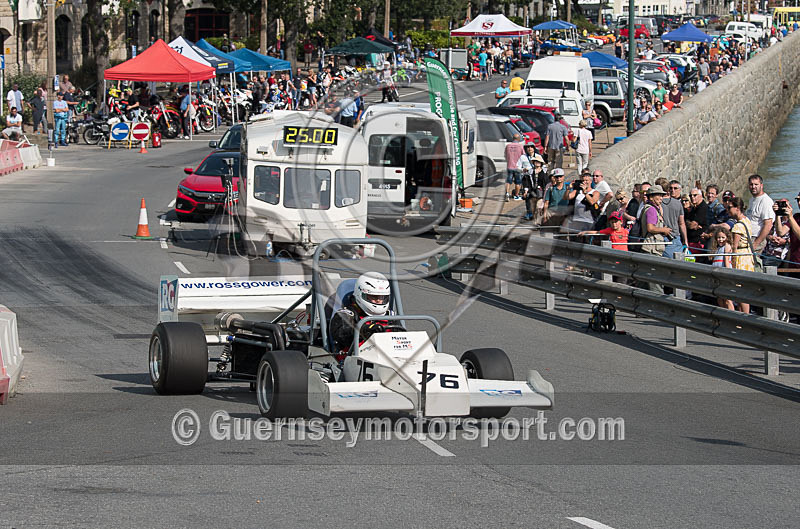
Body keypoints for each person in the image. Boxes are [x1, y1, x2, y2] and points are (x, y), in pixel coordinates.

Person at [329, 272, 393, 356]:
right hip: (355, 357)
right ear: (360, 294)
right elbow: (342, 336)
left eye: (382, 298)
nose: (379, 301)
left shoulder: (390, 316)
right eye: (374, 297)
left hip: (387, 354)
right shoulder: (346, 314)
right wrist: (364, 330)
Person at [729, 196, 756, 312]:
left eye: (730, 207)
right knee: (745, 290)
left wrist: (731, 260)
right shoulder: (747, 221)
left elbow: (734, 246)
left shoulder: (738, 226)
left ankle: (744, 317)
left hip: (740, 257)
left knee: (740, 292)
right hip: (747, 256)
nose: (728, 210)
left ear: (737, 208)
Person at [744, 174, 775, 252]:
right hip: (748, 237)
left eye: (756, 184)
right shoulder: (752, 199)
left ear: (761, 185)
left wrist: (756, 243)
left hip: (756, 238)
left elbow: (768, 224)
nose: (753, 187)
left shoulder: (765, 201)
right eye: (751, 184)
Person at [660, 179, 689, 259]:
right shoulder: (678, 203)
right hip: (675, 237)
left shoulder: (658, 203)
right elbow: (681, 223)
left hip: (660, 236)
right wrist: (685, 239)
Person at [710, 226, 735, 310]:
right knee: (719, 298)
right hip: (717, 273)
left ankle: (733, 318)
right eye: (718, 237)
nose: (720, 240)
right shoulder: (718, 248)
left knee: (727, 299)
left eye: (723, 237)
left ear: (727, 238)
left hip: (724, 273)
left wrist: (728, 274)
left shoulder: (727, 246)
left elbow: (727, 260)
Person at [519, 148, 547, 222]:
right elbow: (526, 181)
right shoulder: (530, 172)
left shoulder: (544, 172)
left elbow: (546, 183)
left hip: (541, 193)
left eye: (538, 162)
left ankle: (538, 223)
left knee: (539, 207)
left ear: (541, 163)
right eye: (536, 162)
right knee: (533, 209)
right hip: (532, 192)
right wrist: (525, 190)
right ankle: (535, 222)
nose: (537, 163)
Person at [773, 194, 800, 269]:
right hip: (793, 263)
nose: (799, 203)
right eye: (798, 200)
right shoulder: (796, 217)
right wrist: (777, 214)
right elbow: (780, 232)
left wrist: (790, 217)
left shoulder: (792, 218)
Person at [504, 133, 525, 201]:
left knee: (508, 181)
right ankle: (516, 195)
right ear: (518, 139)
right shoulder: (520, 146)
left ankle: (507, 193)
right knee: (518, 182)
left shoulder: (508, 146)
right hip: (517, 167)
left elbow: (505, 155)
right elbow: (523, 156)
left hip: (509, 165)